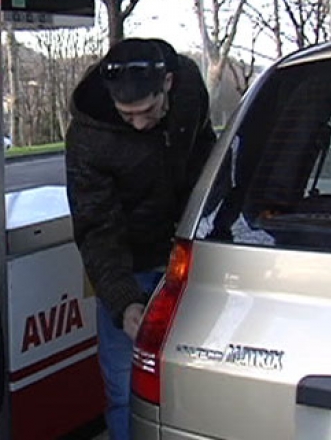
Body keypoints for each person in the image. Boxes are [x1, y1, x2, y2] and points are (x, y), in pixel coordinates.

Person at [65, 38, 215, 440]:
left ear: (167, 83)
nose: (137, 124)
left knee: (195, 383)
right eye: (125, 114)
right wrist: (123, 300)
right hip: (129, 268)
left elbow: (207, 155)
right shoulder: (89, 136)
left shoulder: (189, 91)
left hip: (192, 261)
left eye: (146, 112)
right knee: (124, 388)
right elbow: (96, 226)